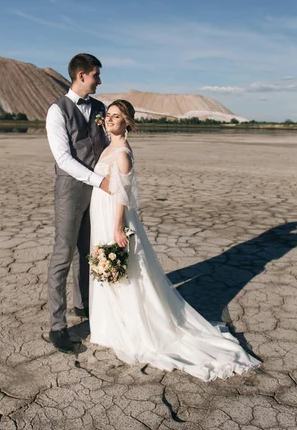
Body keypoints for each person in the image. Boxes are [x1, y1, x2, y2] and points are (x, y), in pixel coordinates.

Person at [89, 100, 261, 381]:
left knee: (126, 272)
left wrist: (118, 227)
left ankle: (134, 329)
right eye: (108, 116)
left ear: (127, 123)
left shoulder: (122, 152)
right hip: (103, 213)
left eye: (116, 117)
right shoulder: (109, 146)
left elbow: (122, 195)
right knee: (112, 271)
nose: (110, 120)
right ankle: (112, 326)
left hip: (113, 217)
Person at [46, 53, 110, 353]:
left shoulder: (100, 108)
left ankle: (82, 305)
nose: (100, 80)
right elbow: (63, 159)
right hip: (71, 190)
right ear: (81, 75)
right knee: (63, 254)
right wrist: (99, 181)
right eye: (96, 75)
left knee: (88, 251)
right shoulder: (57, 111)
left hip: (98, 191)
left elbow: (107, 146)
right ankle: (57, 326)